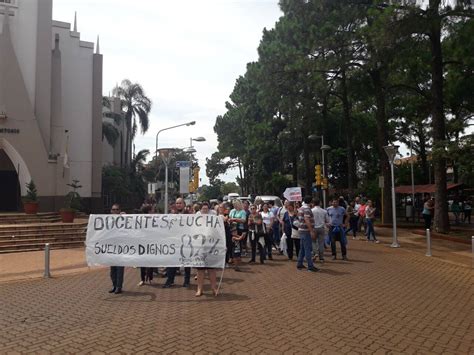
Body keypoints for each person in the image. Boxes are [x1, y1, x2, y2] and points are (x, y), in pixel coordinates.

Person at [163, 197, 191, 288]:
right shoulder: (171, 215)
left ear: (184, 204)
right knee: (172, 261)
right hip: (174, 242)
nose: (178, 205)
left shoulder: (189, 215)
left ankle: (186, 281)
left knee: (187, 262)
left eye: (180, 203)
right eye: (177, 203)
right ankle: (170, 280)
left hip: (186, 241)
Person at [195, 203, 218, 297]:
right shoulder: (197, 219)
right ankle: (199, 289)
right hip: (200, 247)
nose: (205, 211)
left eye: (206, 209)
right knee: (200, 270)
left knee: (211, 270)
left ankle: (214, 288)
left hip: (210, 246)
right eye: (203, 209)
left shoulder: (213, 219)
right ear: (200, 210)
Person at [296, 196, 319, 272]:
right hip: (306, 231)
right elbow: (306, 219)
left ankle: (299, 263)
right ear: (311, 202)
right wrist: (311, 230)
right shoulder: (307, 209)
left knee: (302, 248)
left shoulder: (301, 208)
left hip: (301, 230)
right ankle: (310, 266)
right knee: (307, 249)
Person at [109, 204, 125, 294]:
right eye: (113, 209)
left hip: (121, 248)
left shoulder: (123, 219)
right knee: (112, 270)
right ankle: (114, 285)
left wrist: (124, 216)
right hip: (111, 249)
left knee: (119, 269)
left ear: (119, 210)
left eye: (117, 209)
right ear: (111, 211)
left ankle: (119, 287)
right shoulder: (107, 220)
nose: (115, 211)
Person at [138, 204, 154, 286]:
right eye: (152, 210)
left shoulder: (154, 219)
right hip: (143, 242)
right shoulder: (141, 219)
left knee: (150, 262)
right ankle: (143, 279)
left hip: (150, 242)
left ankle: (149, 278)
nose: (153, 211)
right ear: (149, 211)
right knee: (143, 262)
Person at [312, 198, 329, 263]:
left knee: (313, 242)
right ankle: (321, 257)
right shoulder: (324, 211)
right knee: (321, 243)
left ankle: (315, 253)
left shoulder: (312, 210)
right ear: (320, 203)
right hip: (321, 228)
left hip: (314, 228)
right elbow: (327, 220)